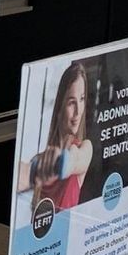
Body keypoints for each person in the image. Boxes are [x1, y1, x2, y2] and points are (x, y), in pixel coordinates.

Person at [28, 61, 95, 211]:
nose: (78, 111)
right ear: (60, 107)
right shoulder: (39, 160)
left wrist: (64, 162)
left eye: (82, 99)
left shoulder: (85, 148)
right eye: (72, 102)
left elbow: (76, 159)